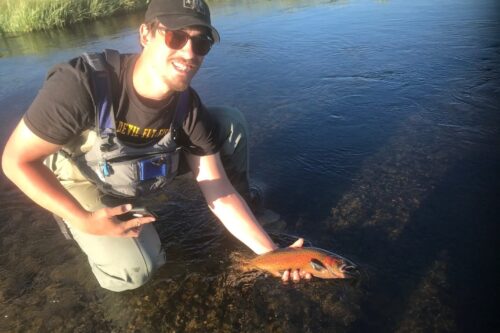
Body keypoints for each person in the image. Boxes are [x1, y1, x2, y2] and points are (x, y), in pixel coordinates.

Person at [1, 0, 310, 292]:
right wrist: (82, 219)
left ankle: (249, 218)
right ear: (145, 34)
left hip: (143, 169)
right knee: (135, 270)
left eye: (201, 43)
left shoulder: (189, 108)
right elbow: (15, 161)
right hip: (87, 176)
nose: (190, 53)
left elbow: (219, 190)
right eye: (176, 37)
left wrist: (271, 253)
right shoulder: (80, 84)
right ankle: (77, 221)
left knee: (229, 123)